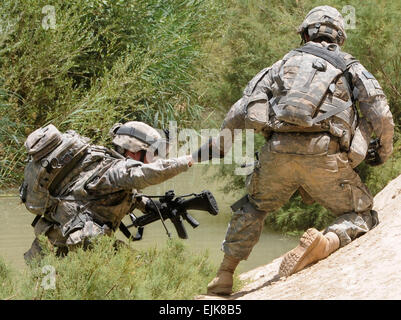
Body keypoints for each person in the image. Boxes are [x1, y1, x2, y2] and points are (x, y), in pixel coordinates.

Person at [192, 6, 394, 295]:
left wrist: (220, 147)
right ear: (339, 36)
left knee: (254, 206)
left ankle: (225, 274)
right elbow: (382, 117)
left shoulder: (280, 64)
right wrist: (383, 153)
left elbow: (240, 110)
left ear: (305, 33)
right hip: (326, 157)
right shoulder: (351, 66)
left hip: (276, 151)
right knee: (362, 213)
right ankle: (327, 242)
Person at [21, 121, 193, 262]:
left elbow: (109, 197)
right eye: (150, 154)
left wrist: (154, 206)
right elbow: (144, 175)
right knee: (142, 272)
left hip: (47, 254)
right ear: (132, 151)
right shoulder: (113, 170)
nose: (152, 160)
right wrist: (189, 160)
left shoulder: (96, 166)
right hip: (74, 253)